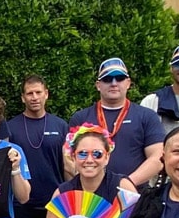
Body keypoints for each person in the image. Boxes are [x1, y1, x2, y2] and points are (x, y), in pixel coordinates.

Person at [69, 58, 164, 187]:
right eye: (107, 79)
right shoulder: (80, 118)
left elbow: (157, 158)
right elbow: (69, 158)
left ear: (128, 83)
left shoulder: (146, 116)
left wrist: (127, 184)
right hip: (92, 196)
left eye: (119, 78)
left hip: (134, 192)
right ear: (98, 85)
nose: (114, 83)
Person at [43, 124, 136, 218]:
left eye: (97, 154)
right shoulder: (62, 193)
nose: (89, 160)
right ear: (73, 157)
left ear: (107, 157)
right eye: (82, 154)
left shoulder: (123, 188)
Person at [7, 76, 68, 218]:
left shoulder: (61, 126)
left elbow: (68, 165)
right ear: (23, 97)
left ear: (46, 94)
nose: (34, 97)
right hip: (21, 206)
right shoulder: (10, 128)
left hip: (54, 204)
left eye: (38, 92)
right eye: (29, 93)